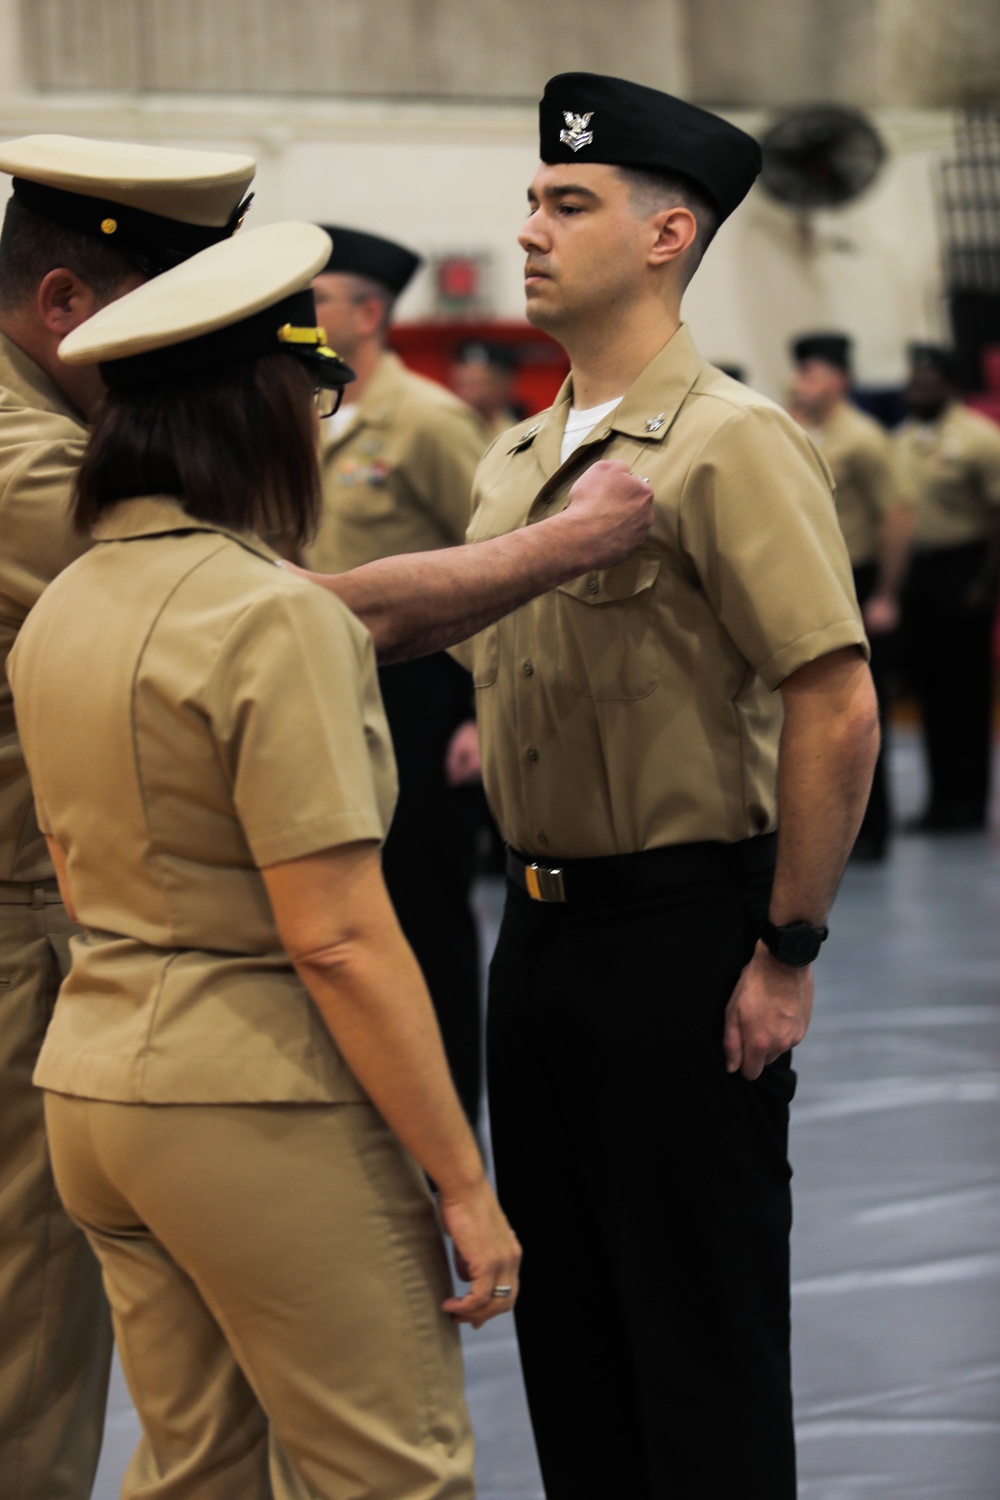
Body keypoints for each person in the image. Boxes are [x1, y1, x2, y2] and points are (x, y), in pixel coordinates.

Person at [8, 214, 654, 1498]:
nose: (322, 419)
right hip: (251, 1089)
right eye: (314, 392)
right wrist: (463, 1184)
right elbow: (339, 934)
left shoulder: (66, 601)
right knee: (394, 1469)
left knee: (200, 1467)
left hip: (92, 1082)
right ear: (262, 411)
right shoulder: (265, 616)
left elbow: (76, 873)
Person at [461, 73, 880, 1499]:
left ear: (666, 234)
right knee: (569, 1342)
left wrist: (788, 950)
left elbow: (836, 703)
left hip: (683, 941)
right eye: (531, 198)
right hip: (537, 937)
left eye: (566, 203)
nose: (529, 227)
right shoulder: (516, 459)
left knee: (695, 1346)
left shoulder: (729, 441)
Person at [0, 131, 256, 1500]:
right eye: (166, 324)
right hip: (21, 943)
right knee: (30, 1336)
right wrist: (552, 552)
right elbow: (263, 626)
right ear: (62, 308)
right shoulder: (26, 467)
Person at [302, 227, 491, 1128]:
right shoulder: (312, 410)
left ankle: (450, 1110)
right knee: (345, 907)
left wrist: (484, 709)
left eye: (323, 296)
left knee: (425, 909)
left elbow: (499, 563)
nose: (307, 310)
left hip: (420, 693)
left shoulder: (426, 419)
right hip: (327, 693)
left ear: (370, 313)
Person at [789, 331, 913, 859]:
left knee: (862, 708)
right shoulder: (796, 430)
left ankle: (872, 830)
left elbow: (898, 514)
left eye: (813, 373)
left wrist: (886, 592)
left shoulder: (863, 438)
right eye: (800, 373)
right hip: (812, 579)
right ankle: (827, 829)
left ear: (841, 380)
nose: (801, 383)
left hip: (856, 579)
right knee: (815, 711)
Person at [896, 344, 1000, 832]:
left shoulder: (980, 438)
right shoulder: (903, 438)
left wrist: (986, 580)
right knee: (931, 690)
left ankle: (969, 802)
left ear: (949, 384)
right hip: (920, 576)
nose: (916, 389)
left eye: (926, 381)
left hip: (965, 571)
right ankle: (939, 802)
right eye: (913, 381)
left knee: (968, 692)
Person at [449, 340, 525, 440]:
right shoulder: (446, 430)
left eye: (476, 384)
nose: (466, 393)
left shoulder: (522, 432)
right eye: (462, 384)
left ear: (503, 385)